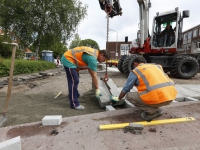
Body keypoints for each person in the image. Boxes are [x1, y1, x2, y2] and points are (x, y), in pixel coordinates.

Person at [111, 56, 178, 121]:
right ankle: (154, 106)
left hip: (157, 100)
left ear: (135, 63)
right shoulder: (157, 67)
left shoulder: (136, 71)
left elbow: (126, 88)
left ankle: (153, 111)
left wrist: (119, 99)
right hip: (170, 97)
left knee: (129, 96)